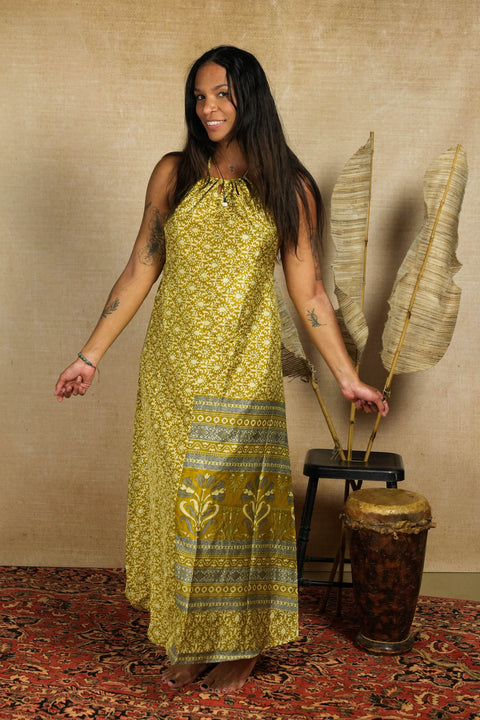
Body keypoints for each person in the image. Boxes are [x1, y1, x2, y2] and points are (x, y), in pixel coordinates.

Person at [55, 46, 389, 693]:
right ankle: (192, 635)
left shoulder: (288, 187)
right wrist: (89, 355)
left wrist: (347, 376)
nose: (208, 109)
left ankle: (242, 644)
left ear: (250, 98)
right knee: (178, 509)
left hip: (241, 374)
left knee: (234, 510)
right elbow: (140, 267)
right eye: (200, 97)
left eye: (222, 95)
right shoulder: (174, 174)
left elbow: (310, 293)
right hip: (171, 371)